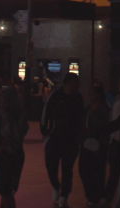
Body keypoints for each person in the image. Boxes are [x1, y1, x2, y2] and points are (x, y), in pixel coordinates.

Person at [41, 73, 85, 208]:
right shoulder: (55, 96)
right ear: (69, 82)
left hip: (71, 140)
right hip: (55, 137)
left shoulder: (78, 97)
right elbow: (45, 114)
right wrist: (45, 134)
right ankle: (56, 185)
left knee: (67, 169)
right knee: (51, 166)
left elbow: (81, 118)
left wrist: (79, 138)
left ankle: (64, 196)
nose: (78, 84)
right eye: (76, 81)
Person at [0, 86, 30, 208]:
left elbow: (19, 134)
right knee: (4, 190)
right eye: (1, 101)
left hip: (14, 155)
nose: (3, 104)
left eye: (5, 101)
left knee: (7, 191)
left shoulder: (19, 117)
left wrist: (11, 123)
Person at [80, 84, 111, 208]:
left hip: (99, 144)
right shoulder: (88, 108)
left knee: (97, 171)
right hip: (87, 143)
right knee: (83, 169)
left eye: (93, 93)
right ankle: (91, 195)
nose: (90, 95)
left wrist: (93, 132)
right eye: (90, 93)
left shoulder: (104, 109)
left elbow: (105, 127)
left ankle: (95, 197)